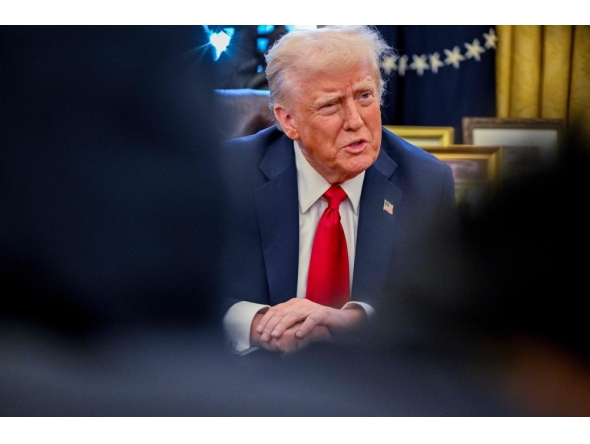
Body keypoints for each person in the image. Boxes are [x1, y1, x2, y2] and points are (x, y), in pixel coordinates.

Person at [220, 26, 456, 355]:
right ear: (288, 121)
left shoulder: (426, 182)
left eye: (364, 96)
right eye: (330, 105)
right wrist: (257, 324)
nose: (355, 120)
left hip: (374, 390)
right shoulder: (229, 174)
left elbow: (444, 312)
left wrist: (352, 322)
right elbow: (179, 290)